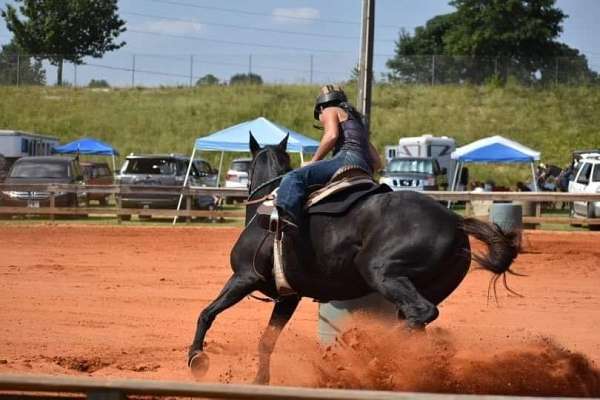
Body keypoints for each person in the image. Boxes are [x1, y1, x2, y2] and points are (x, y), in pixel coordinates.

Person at [259, 85, 382, 229]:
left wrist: (313, 161)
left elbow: (331, 136)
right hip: (364, 168)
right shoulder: (356, 122)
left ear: (321, 107)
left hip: (346, 159)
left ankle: (285, 218)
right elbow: (377, 162)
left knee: (293, 177)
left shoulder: (330, 110)